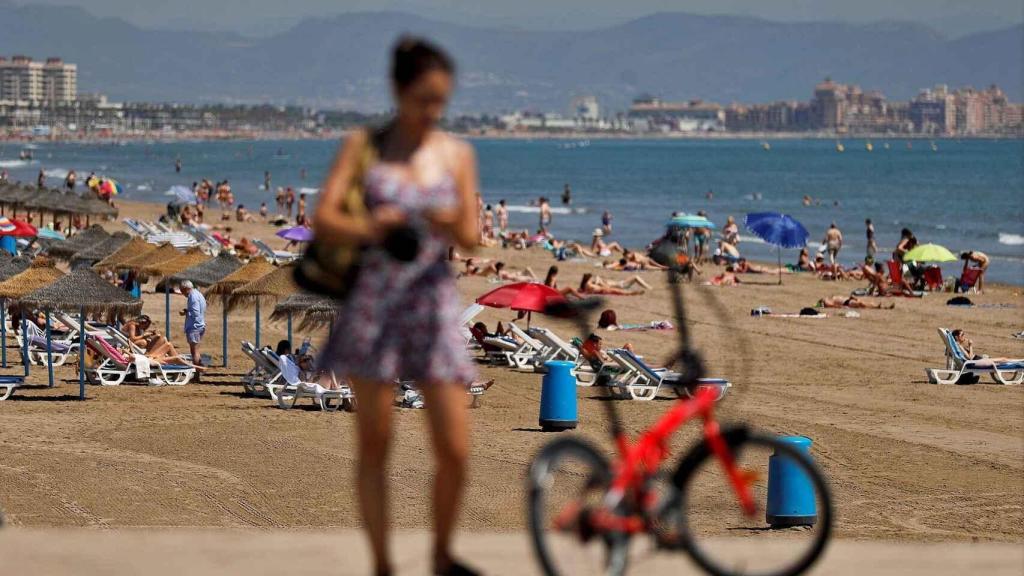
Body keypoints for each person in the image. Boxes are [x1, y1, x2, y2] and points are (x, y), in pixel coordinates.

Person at [311, 36, 481, 576]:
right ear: (399, 91)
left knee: (455, 448)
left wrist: (443, 217)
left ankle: (440, 553)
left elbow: (473, 236)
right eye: (424, 99)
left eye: (441, 101)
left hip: (430, 301)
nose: (433, 111)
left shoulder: (456, 154)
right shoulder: (366, 146)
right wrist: (372, 225)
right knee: (376, 444)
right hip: (374, 301)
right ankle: (384, 563)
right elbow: (326, 218)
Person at [178, 280, 206, 374]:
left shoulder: (192, 296)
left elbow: (195, 313)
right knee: (196, 350)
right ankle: (199, 370)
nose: (182, 293)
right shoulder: (198, 294)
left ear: (186, 289)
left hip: (194, 326)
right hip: (200, 325)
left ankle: (197, 373)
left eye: (182, 291)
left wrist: (186, 312)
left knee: (194, 351)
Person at [817, 295, 895, 309]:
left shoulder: (830, 298)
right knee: (861, 304)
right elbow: (833, 305)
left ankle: (881, 306)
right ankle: (878, 307)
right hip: (846, 303)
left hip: (848, 300)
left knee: (864, 302)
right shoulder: (826, 301)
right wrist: (842, 307)